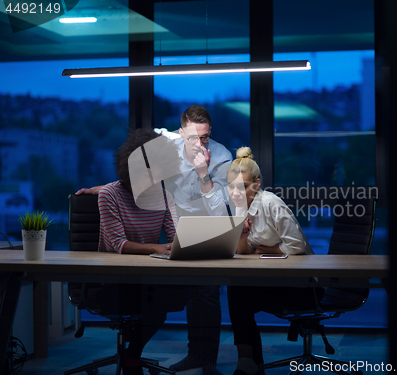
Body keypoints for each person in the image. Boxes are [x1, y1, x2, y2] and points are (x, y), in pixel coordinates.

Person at [76, 105, 232, 375]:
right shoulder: (165, 149)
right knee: (174, 294)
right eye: (192, 137)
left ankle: (203, 358)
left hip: (203, 227)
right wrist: (99, 189)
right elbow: (136, 173)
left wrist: (203, 173)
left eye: (204, 137)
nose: (198, 143)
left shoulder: (220, 157)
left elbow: (218, 210)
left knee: (201, 291)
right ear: (180, 132)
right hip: (147, 247)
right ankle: (145, 355)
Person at [95, 128, 189, 375]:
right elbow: (119, 244)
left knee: (169, 300)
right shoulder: (109, 194)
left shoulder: (164, 196)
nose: (158, 178)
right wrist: (157, 247)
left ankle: (131, 353)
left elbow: (176, 236)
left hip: (147, 278)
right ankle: (132, 356)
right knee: (155, 305)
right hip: (113, 280)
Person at [226, 147, 324, 375]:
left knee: (239, 295)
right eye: (231, 186)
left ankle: (251, 364)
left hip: (306, 286)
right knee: (236, 288)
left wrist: (261, 247)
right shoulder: (240, 209)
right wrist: (241, 237)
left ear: (257, 185)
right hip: (276, 280)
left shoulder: (271, 204)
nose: (236, 192)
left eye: (243, 186)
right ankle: (248, 363)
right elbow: (244, 252)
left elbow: (297, 247)